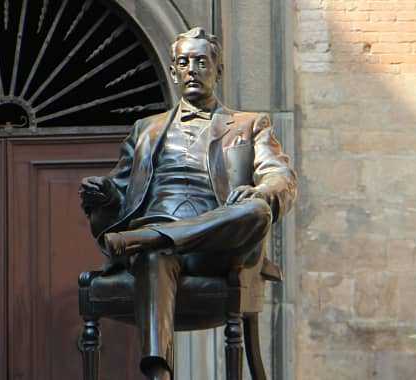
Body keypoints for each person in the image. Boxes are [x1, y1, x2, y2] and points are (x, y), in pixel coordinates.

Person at [78, 27, 296, 380]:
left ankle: (154, 236)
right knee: (153, 255)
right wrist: (103, 194)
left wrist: (260, 191)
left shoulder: (250, 124)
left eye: (201, 62)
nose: (191, 69)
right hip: (155, 240)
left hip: (217, 246)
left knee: (257, 210)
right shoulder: (145, 129)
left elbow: (281, 177)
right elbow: (120, 193)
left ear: (218, 70)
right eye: (183, 62)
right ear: (173, 71)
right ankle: (159, 374)